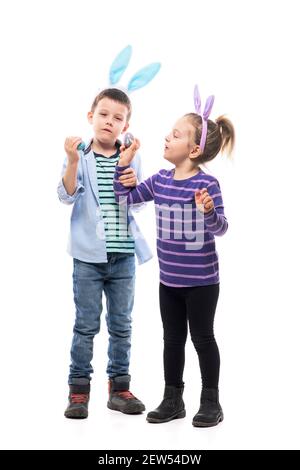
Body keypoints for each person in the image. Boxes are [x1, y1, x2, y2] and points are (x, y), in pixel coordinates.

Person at [113, 89, 235, 427]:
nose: (167, 137)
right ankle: (172, 399)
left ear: (194, 150)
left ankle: (211, 401)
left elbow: (221, 228)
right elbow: (126, 198)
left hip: (202, 283)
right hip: (169, 282)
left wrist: (208, 211)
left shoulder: (208, 184)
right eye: (170, 132)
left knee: (203, 338)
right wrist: (122, 168)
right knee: (172, 340)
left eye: (176, 134)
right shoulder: (160, 180)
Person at [57, 87, 152, 419]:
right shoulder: (80, 154)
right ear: (90, 117)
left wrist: (131, 182)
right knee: (85, 325)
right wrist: (71, 161)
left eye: (118, 118)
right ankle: (78, 391)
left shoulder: (131, 155)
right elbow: (66, 196)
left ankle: (119, 388)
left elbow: (137, 204)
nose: (109, 122)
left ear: (125, 126)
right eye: (103, 115)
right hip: (87, 256)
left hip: (123, 255)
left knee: (122, 324)